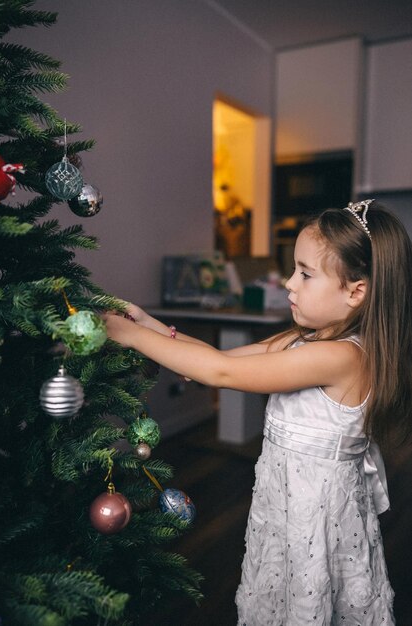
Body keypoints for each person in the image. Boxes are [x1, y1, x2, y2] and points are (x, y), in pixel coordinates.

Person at [104, 200, 412, 625]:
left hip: (315, 519)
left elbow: (221, 371)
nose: (289, 283)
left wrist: (129, 335)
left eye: (305, 273)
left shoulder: (342, 357)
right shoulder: (305, 340)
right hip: (282, 508)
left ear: (355, 291)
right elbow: (220, 359)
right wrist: (150, 325)